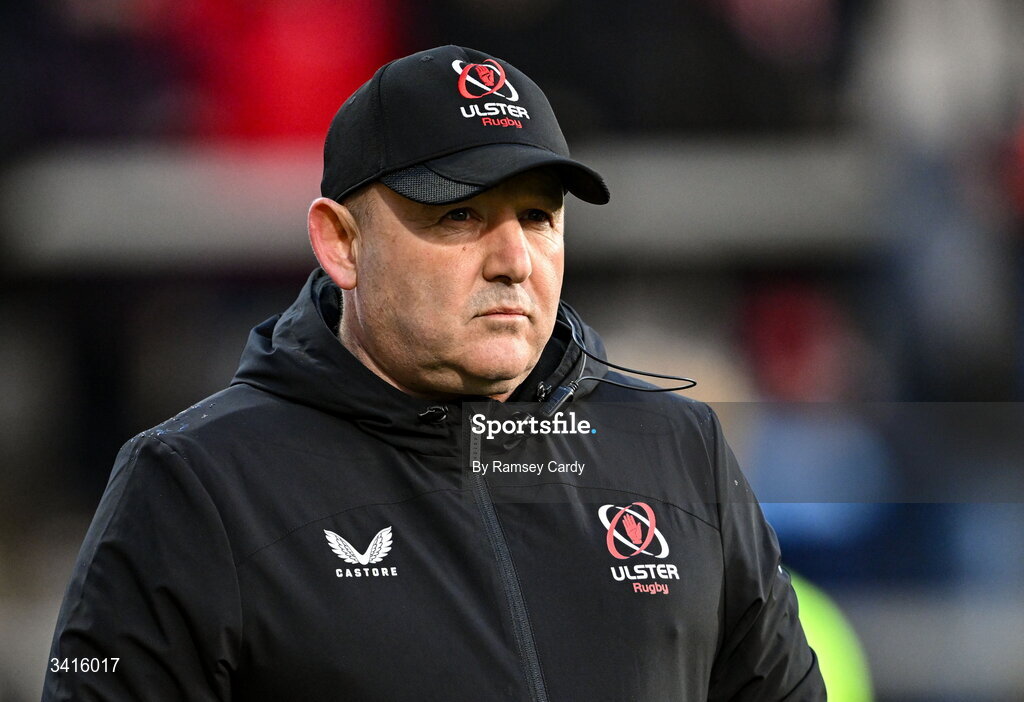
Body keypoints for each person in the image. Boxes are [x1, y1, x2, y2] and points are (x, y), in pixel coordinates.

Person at [44, 46, 824, 700]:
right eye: (460, 214)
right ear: (340, 242)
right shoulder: (195, 487)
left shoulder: (678, 451)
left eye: (538, 217)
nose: (514, 259)